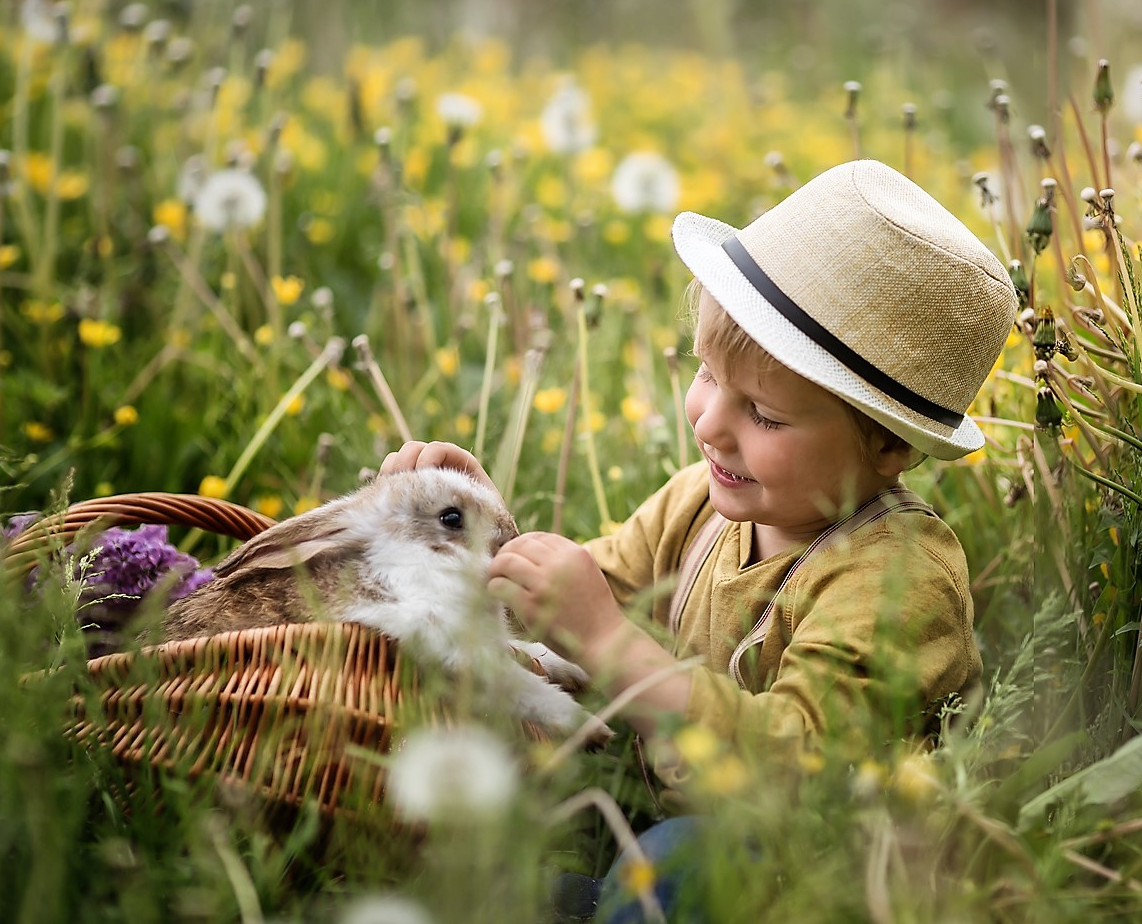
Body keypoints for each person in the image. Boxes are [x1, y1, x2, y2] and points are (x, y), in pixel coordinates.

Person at [381, 158, 1016, 921]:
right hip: (653, 825)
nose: (710, 422)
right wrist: (475, 528)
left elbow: (800, 770)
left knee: (686, 855)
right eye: (707, 374)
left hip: (814, 878)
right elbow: (566, 609)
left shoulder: (899, 577)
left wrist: (614, 645)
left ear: (888, 448)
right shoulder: (702, 507)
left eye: (765, 415)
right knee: (517, 815)